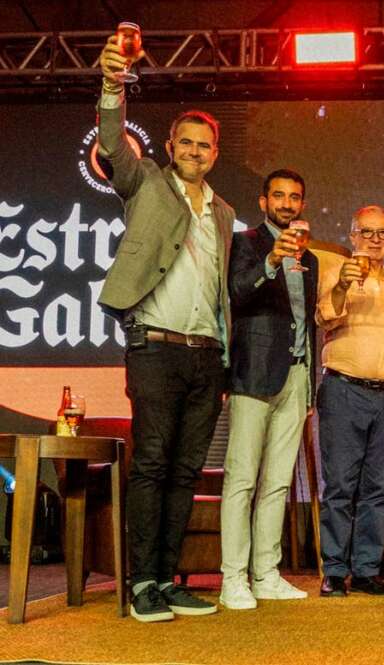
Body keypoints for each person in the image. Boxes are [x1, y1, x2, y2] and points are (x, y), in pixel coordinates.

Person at [97, 35, 233, 622]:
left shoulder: (224, 212)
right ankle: (142, 582)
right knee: (152, 462)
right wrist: (111, 86)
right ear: (172, 145)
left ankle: (170, 577)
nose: (195, 151)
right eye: (187, 142)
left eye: (205, 146)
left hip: (207, 355)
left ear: (215, 154)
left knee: (185, 468)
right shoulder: (147, 182)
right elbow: (111, 145)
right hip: (154, 346)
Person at [218, 169, 317, 610]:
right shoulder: (244, 243)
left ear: (302, 204)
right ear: (263, 202)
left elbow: (306, 321)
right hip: (253, 373)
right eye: (278, 195)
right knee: (242, 479)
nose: (286, 203)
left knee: (278, 482)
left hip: (295, 375)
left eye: (294, 197)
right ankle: (233, 578)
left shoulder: (309, 259)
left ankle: (266, 573)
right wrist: (271, 261)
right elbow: (236, 296)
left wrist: (310, 383)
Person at [315, 205, 384, 597]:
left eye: (383, 234)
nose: (375, 240)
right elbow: (325, 318)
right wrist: (344, 285)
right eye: (367, 232)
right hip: (344, 389)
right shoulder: (335, 274)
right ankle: (333, 571)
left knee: (377, 488)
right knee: (341, 485)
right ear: (353, 235)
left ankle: (365, 571)